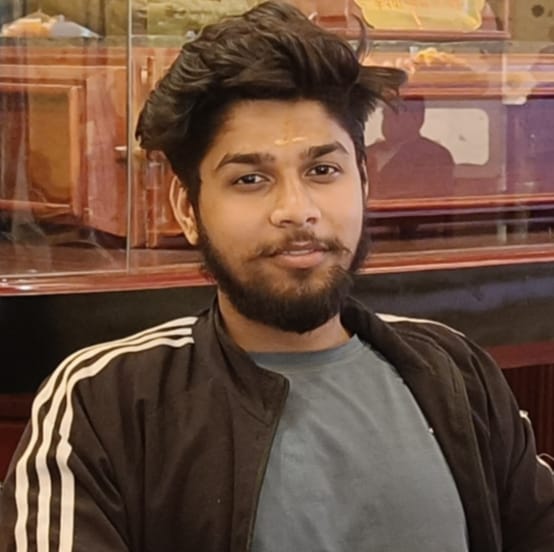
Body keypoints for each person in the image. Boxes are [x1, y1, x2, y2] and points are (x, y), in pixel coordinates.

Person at [1, 2, 553, 551]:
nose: (297, 210)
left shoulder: (454, 371)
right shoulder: (106, 402)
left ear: (363, 183)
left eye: (322, 170)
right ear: (187, 209)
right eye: (250, 179)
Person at [366, 97, 455, 199]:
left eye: (396, 114)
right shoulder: (365, 153)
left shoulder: (436, 156)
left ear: (418, 119)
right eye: (386, 115)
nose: (389, 121)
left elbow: (429, 199)